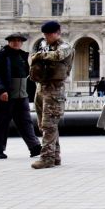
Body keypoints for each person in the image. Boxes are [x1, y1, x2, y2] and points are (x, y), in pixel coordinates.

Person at [28, 21, 74, 169]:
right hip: (41, 88)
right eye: (45, 35)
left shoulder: (65, 47)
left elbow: (58, 56)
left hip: (54, 90)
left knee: (49, 124)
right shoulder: (44, 46)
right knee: (45, 125)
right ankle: (55, 156)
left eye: (49, 34)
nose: (46, 37)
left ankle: (47, 158)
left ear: (57, 33)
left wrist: (40, 56)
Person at [0, 33, 41, 160]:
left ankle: (34, 147)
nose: (16, 42)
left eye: (19, 41)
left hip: (22, 95)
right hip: (6, 95)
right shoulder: (0, 55)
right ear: (9, 42)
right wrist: (1, 91)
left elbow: (31, 75)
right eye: (13, 41)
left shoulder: (24, 56)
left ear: (22, 42)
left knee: (26, 122)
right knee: (1, 124)